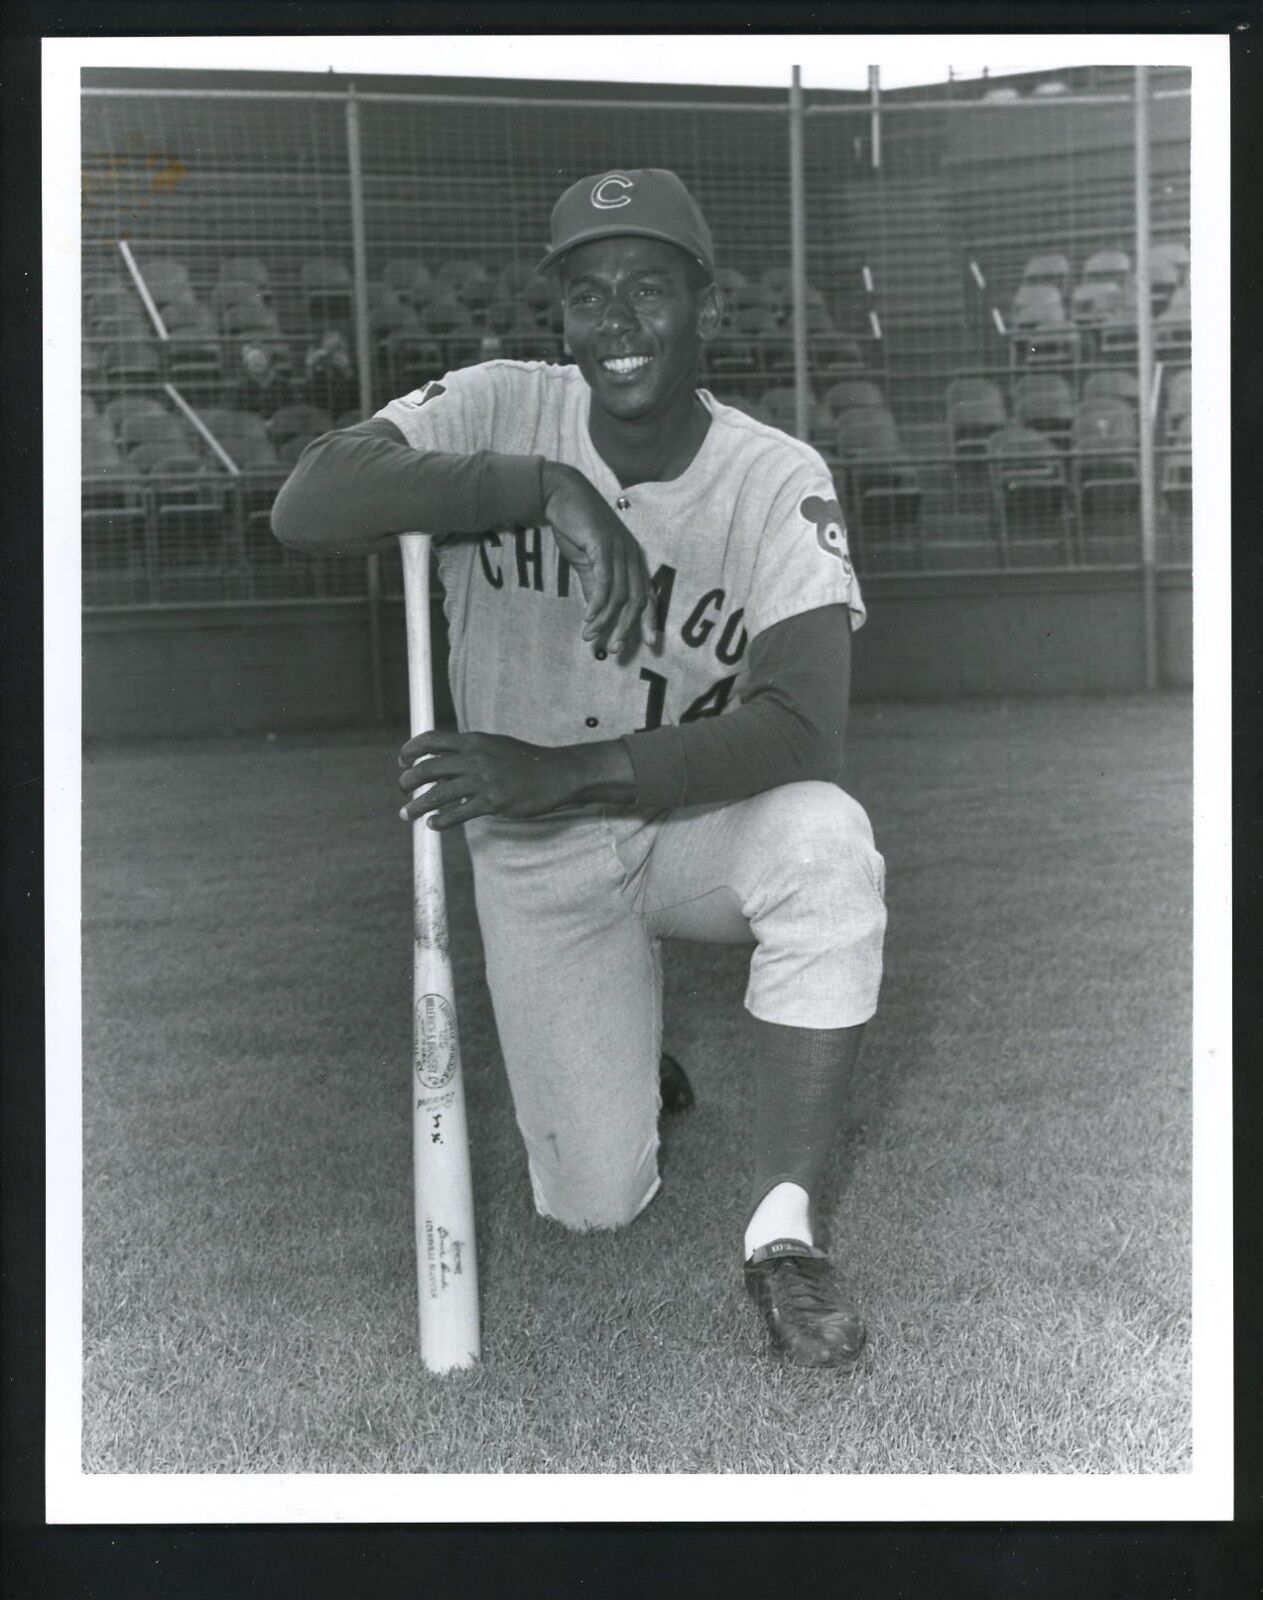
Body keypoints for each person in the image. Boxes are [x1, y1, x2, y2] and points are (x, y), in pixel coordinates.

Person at [272, 169, 886, 1369]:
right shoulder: (504, 405)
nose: (618, 322)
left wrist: (563, 771)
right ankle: (625, 1046)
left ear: (704, 303)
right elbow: (310, 496)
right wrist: (540, 485)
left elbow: (806, 729)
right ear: (559, 312)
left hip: (690, 823)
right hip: (539, 852)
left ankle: (786, 1232)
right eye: (588, 293)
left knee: (824, 838)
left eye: (649, 288)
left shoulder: (775, 475)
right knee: (596, 1204)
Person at [302, 327, 360, 416]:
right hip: (320, 407)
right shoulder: (318, 363)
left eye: (337, 348)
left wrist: (345, 367)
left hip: (346, 407)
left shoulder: (353, 362)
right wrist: (310, 365)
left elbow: (355, 392)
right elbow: (308, 390)